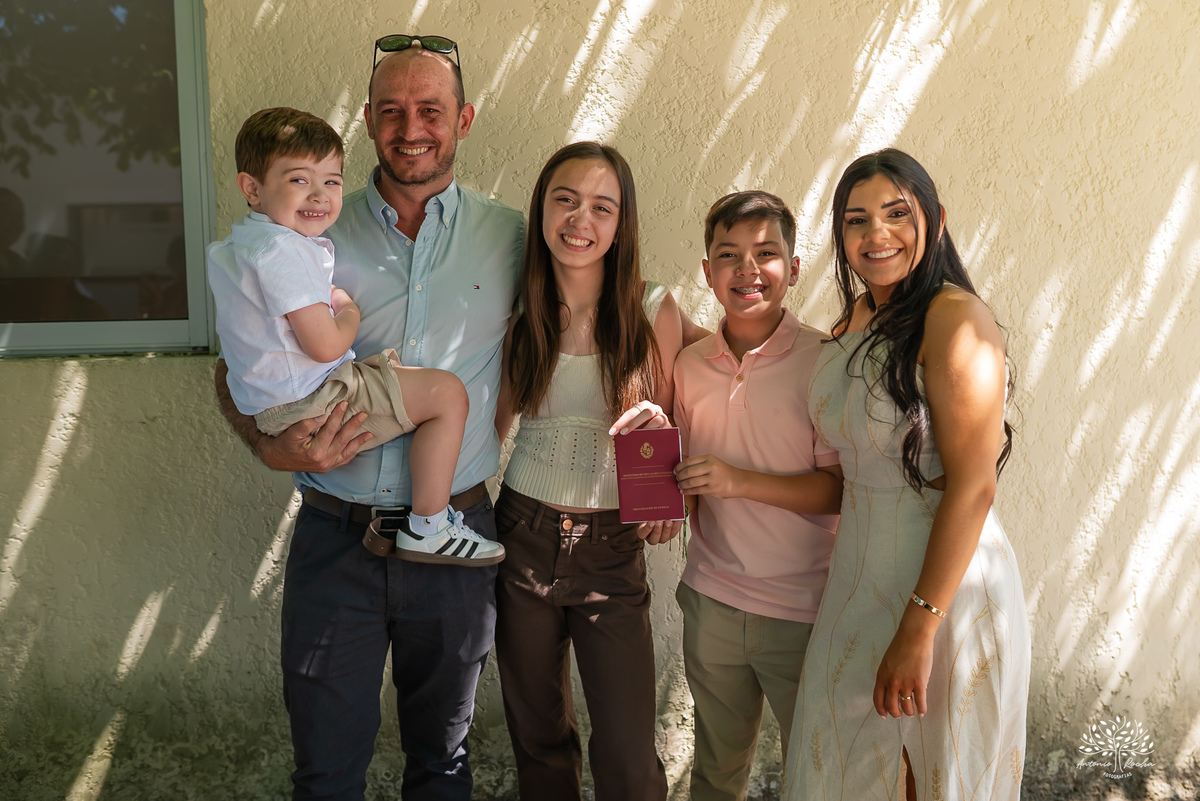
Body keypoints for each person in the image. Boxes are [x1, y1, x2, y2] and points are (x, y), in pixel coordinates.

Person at [213, 36, 523, 800]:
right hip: (336, 541)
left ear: (464, 119)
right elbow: (234, 365)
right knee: (324, 773)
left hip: (455, 540)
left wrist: (491, 432)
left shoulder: (512, 237)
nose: (410, 128)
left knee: (442, 765)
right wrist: (266, 444)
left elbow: (560, 339)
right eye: (391, 110)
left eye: (431, 110)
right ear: (367, 120)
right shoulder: (307, 228)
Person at [784, 148, 1030, 801]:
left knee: (929, 773)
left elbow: (974, 486)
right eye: (857, 219)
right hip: (856, 581)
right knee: (841, 765)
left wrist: (921, 627)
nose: (877, 233)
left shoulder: (956, 319)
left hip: (943, 587)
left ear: (936, 219)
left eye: (897, 213)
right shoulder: (852, 321)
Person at [208, 106, 502, 566]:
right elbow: (326, 345)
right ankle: (430, 527)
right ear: (252, 188)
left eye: (331, 181)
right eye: (299, 180)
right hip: (318, 420)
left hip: (282, 402)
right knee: (446, 394)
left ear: (463, 119)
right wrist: (347, 311)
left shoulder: (239, 246)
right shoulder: (286, 249)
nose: (319, 195)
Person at [492, 141, 683, 801]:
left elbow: (678, 422)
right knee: (539, 742)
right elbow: (491, 431)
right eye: (566, 200)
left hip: (611, 549)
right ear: (542, 210)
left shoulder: (653, 308)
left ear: (621, 225)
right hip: (522, 536)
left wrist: (671, 499)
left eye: (603, 207)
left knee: (628, 757)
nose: (581, 220)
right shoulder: (520, 314)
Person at [670, 191, 842, 801]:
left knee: (816, 776)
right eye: (729, 255)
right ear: (707, 271)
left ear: (792, 269)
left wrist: (737, 481)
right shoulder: (688, 366)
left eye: (766, 253)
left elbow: (837, 491)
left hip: (806, 610)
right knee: (716, 773)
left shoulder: (826, 362)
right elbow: (685, 479)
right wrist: (663, 508)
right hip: (712, 600)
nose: (748, 269)